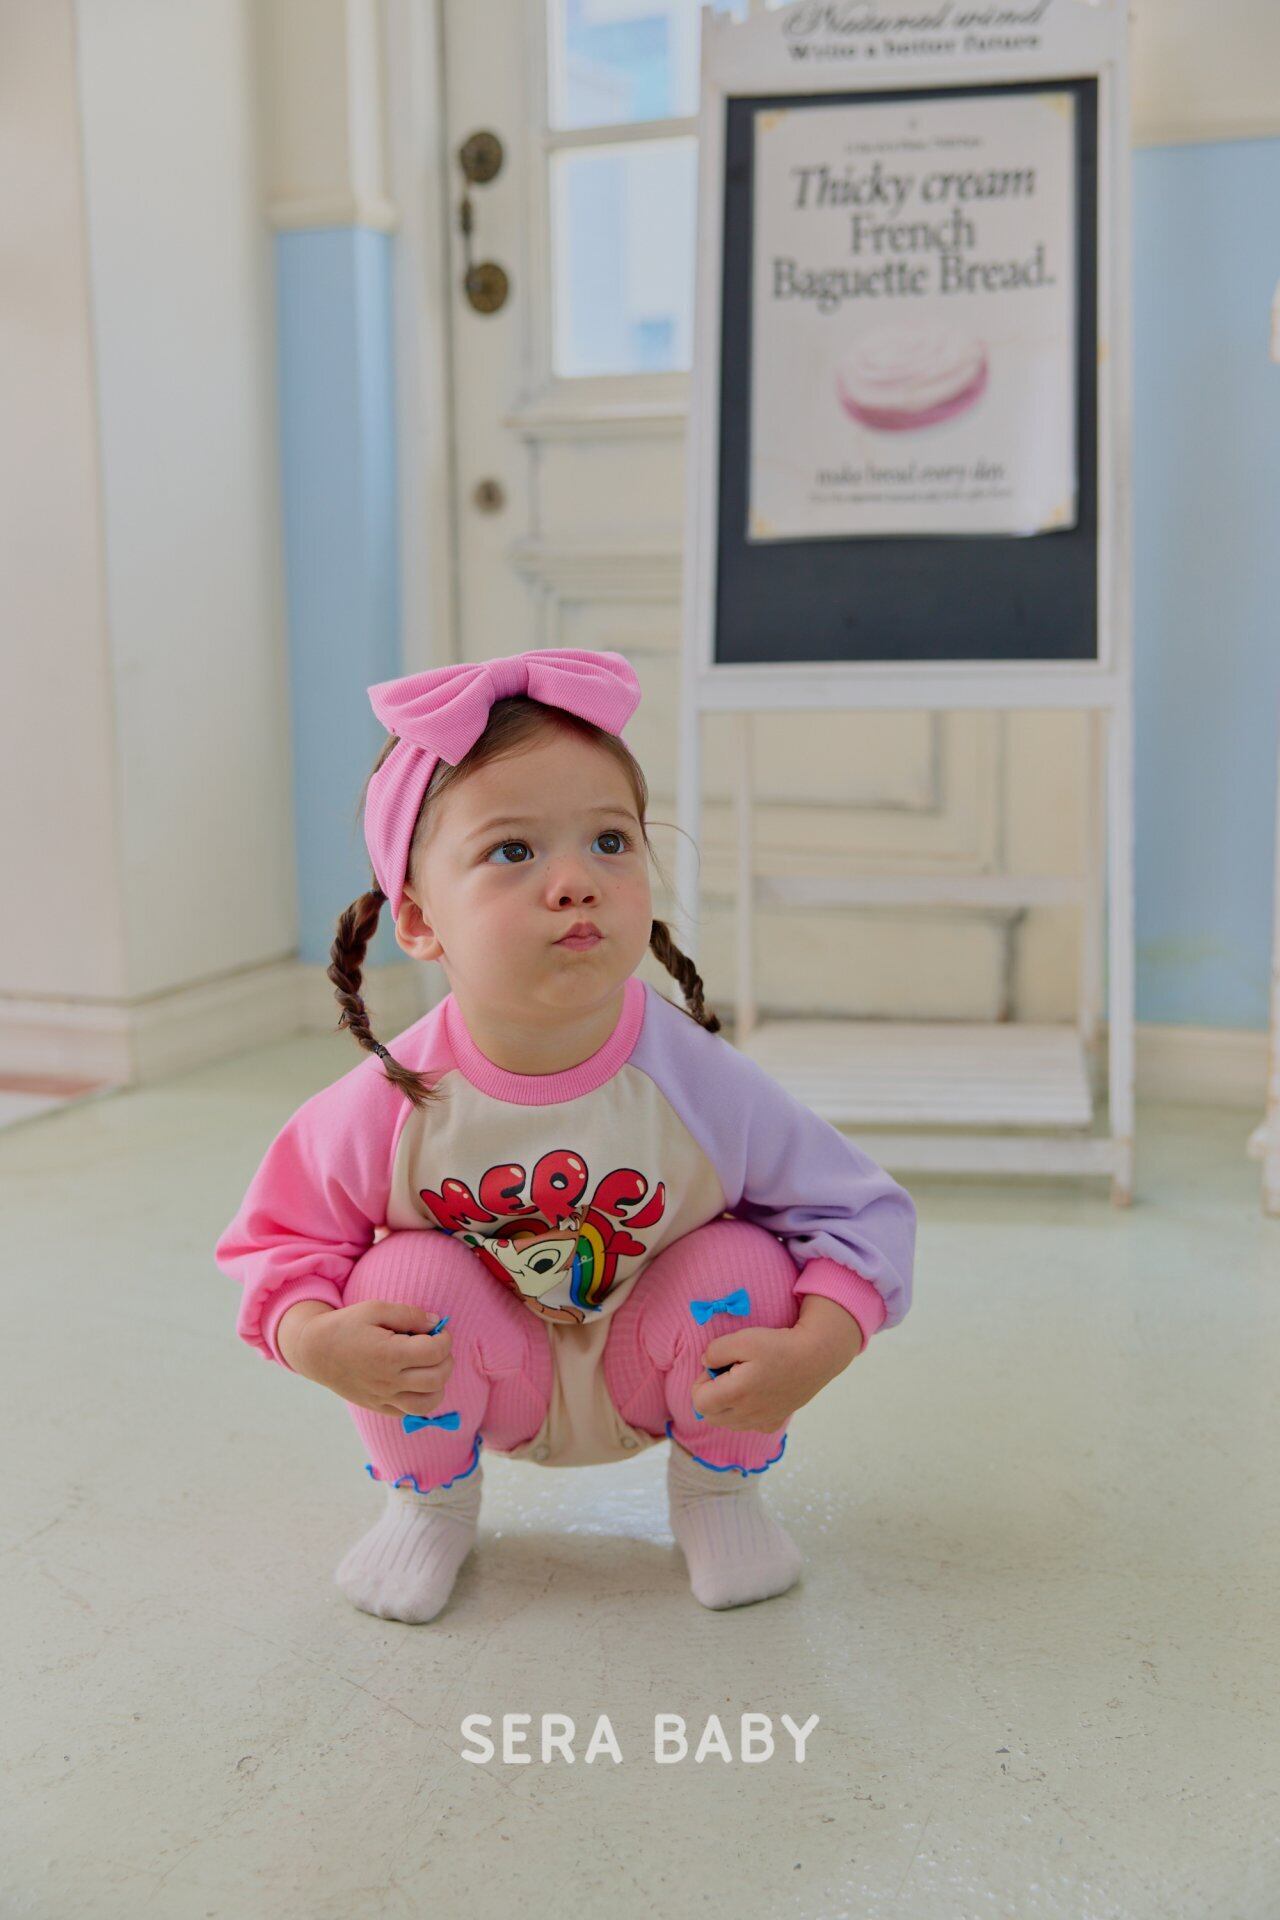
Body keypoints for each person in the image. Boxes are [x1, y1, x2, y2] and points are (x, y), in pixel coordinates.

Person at [215, 647, 916, 1624]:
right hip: (480, 1383)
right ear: (417, 920)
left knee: (745, 1265)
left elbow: (861, 1213)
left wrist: (822, 1347)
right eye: (513, 852)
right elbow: (278, 1241)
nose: (576, 882)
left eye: (610, 841)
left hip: (659, 1371)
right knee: (395, 1280)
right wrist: (313, 1341)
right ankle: (428, 1507)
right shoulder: (394, 1100)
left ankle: (718, 1496)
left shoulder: (695, 1082)